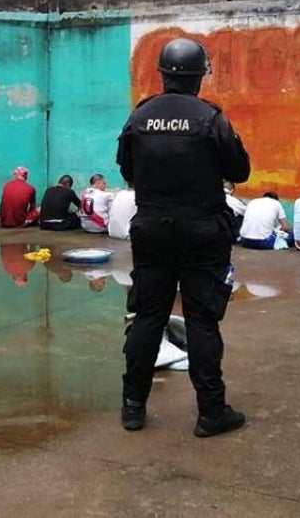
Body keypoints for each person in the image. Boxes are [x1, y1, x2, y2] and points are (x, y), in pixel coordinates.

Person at [116, 37, 251, 437]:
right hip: (202, 232)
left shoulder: (139, 117)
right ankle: (211, 412)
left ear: (163, 73)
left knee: (148, 318)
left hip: (152, 229)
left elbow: (126, 170)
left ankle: (132, 407)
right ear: (199, 74)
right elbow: (239, 170)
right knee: (202, 322)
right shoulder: (211, 118)